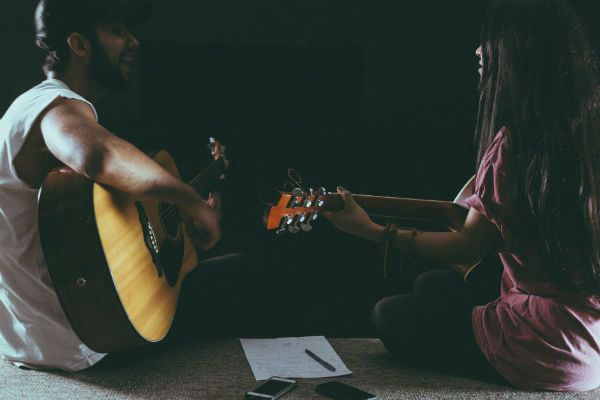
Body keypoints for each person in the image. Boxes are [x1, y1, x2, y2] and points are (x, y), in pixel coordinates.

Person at [323, 0, 600, 392]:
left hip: (544, 351)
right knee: (432, 285)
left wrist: (368, 230)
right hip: (591, 340)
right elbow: (470, 219)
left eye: (489, 41)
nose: (478, 51)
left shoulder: (518, 144)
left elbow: (468, 246)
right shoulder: (586, 128)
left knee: (390, 314)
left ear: (520, 50)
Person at [0, 0, 264, 372]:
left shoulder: (30, 107)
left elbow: (90, 226)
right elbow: (98, 155)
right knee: (245, 273)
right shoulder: (56, 104)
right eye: (117, 30)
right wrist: (190, 200)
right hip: (88, 341)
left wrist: (178, 222)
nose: (133, 42)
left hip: (44, 338)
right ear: (79, 44)